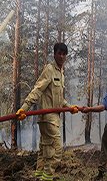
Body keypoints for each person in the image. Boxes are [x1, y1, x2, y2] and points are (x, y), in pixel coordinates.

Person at [15, 42, 78, 181]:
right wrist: (24, 108)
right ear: (54, 54)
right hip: (48, 118)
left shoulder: (61, 73)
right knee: (56, 150)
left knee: (44, 149)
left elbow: (59, 99)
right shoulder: (49, 69)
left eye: (64, 54)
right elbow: (37, 89)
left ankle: (39, 176)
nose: (61, 56)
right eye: (59, 53)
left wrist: (70, 107)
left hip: (53, 117)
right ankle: (47, 178)